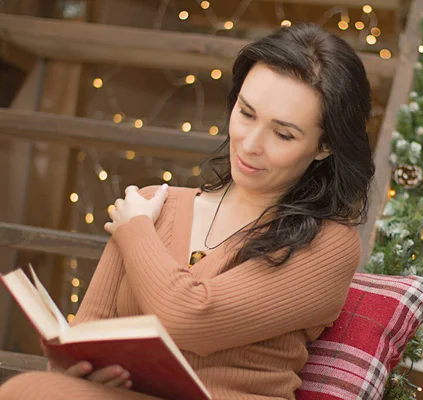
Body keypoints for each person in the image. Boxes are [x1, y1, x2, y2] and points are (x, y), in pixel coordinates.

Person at [0, 22, 374, 400]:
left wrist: (137, 231)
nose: (250, 144)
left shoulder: (329, 244)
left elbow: (191, 318)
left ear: (324, 146)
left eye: (283, 134)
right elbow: (85, 334)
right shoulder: (154, 207)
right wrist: (82, 372)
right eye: (246, 113)